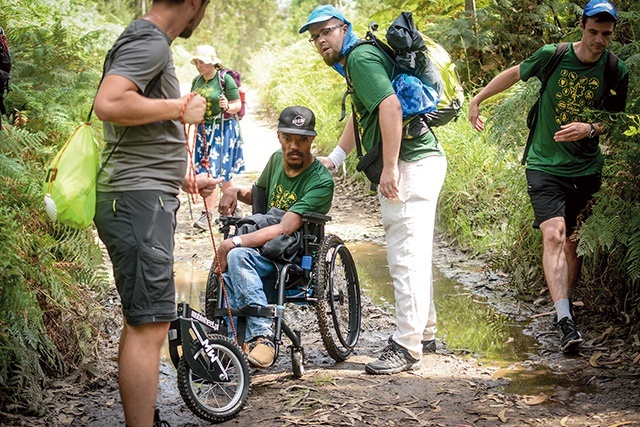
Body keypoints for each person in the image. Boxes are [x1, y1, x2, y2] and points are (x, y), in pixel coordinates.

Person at [468, 0, 628, 354]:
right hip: (544, 165)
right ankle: (564, 319)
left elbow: (616, 121)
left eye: (606, 34)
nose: (599, 40)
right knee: (553, 236)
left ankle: (565, 307)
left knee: (574, 242)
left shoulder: (616, 69)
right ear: (582, 26)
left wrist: (590, 128)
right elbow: (513, 73)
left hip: (587, 169)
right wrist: (478, 99)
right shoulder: (552, 55)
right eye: (593, 32)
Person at [299, 5, 447, 375]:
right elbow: (364, 112)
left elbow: (390, 106)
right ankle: (423, 332)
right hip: (422, 160)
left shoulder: (360, 58)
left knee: (405, 255)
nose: (320, 41)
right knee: (416, 251)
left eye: (326, 32)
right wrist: (336, 156)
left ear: (343, 28)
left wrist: (392, 166)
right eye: (314, 36)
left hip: (412, 163)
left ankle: (407, 346)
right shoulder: (359, 58)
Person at [92, 1, 219, 426]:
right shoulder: (150, 41)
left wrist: (180, 179)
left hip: (138, 195)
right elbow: (109, 103)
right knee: (151, 326)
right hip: (136, 201)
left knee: (141, 320)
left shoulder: (144, 38)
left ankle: (143, 417)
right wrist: (180, 106)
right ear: (193, 3)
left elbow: (133, 130)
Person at [215, 106, 334, 369]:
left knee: (237, 253)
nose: (295, 146)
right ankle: (230, 338)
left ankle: (263, 338)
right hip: (263, 247)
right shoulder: (275, 161)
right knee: (228, 267)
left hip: (293, 256)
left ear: (311, 140)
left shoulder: (321, 180)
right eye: (289, 138)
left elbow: (284, 228)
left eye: (302, 139)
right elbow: (258, 196)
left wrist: (232, 242)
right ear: (278, 135)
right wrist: (234, 190)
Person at [189, 44, 245, 230]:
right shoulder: (197, 81)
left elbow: (237, 104)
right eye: (196, 61)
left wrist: (227, 106)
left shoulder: (224, 79)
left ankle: (207, 214)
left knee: (213, 171)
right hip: (203, 130)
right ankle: (234, 206)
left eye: (202, 61)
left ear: (212, 62)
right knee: (221, 172)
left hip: (223, 130)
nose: (199, 65)